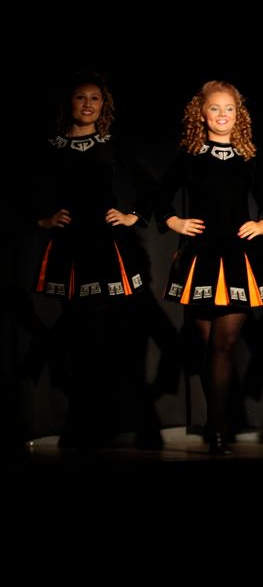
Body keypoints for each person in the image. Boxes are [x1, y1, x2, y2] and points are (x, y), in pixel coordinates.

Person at [152, 81, 263, 454]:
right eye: (215, 108)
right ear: (201, 114)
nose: (223, 115)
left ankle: (219, 429)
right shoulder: (190, 155)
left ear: (239, 115)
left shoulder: (248, 156)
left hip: (238, 259)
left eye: (229, 108)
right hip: (200, 259)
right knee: (205, 346)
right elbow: (159, 195)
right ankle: (214, 421)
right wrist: (174, 222)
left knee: (226, 343)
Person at [34, 71, 152, 448]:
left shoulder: (111, 144)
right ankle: (79, 421)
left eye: (95, 98)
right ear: (68, 102)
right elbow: (21, 186)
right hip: (70, 248)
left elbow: (150, 186)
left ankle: (96, 422)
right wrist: (43, 219)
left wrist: (133, 215)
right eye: (81, 97)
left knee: (103, 336)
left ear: (104, 105)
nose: (88, 104)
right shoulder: (51, 145)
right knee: (76, 335)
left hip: (106, 248)